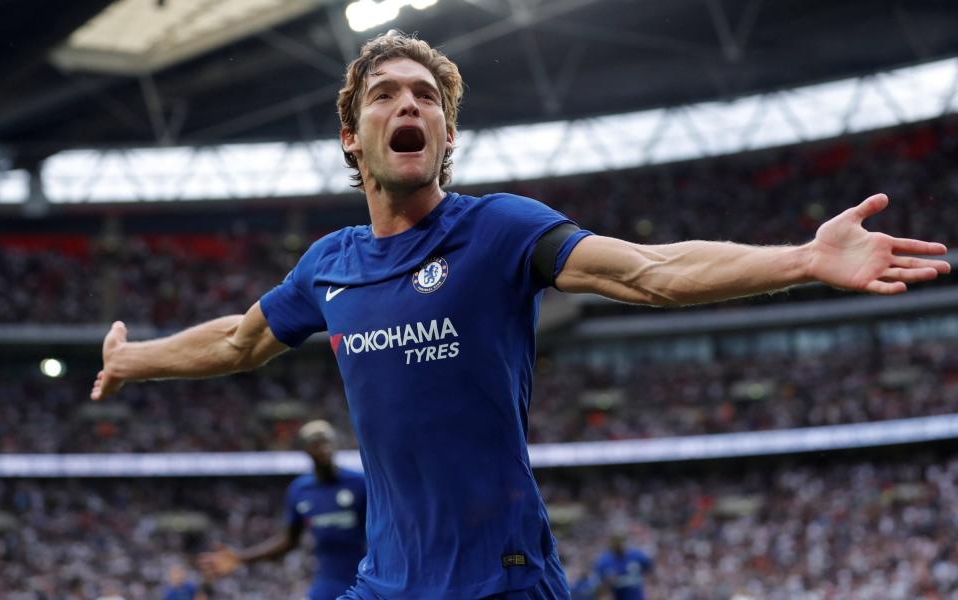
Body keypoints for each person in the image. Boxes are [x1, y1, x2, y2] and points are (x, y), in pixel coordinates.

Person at [89, 31, 951, 600]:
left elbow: (650, 273)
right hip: (384, 581)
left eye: (426, 97)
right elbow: (239, 341)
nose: (408, 106)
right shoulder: (329, 264)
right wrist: (135, 359)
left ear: (448, 134)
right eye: (385, 95)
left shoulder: (500, 230)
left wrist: (803, 258)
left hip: (501, 579)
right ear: (353, 135)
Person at [197, 420, 366, 600]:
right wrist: (241, 557)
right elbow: (288, 542)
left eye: (327, 441)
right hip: (327, 583)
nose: (324, 448)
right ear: (306, 450)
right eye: (317, 443)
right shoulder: (300, 491)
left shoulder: (359, 483)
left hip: (363, 578)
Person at [592, 534, 652, 600]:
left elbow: (650, 571)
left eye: (622, 541)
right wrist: (607, 584)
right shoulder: (603, 561)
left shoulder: (636, 555)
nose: (620, 545)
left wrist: (648, 586)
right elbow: (597, 589)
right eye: (617, 542)